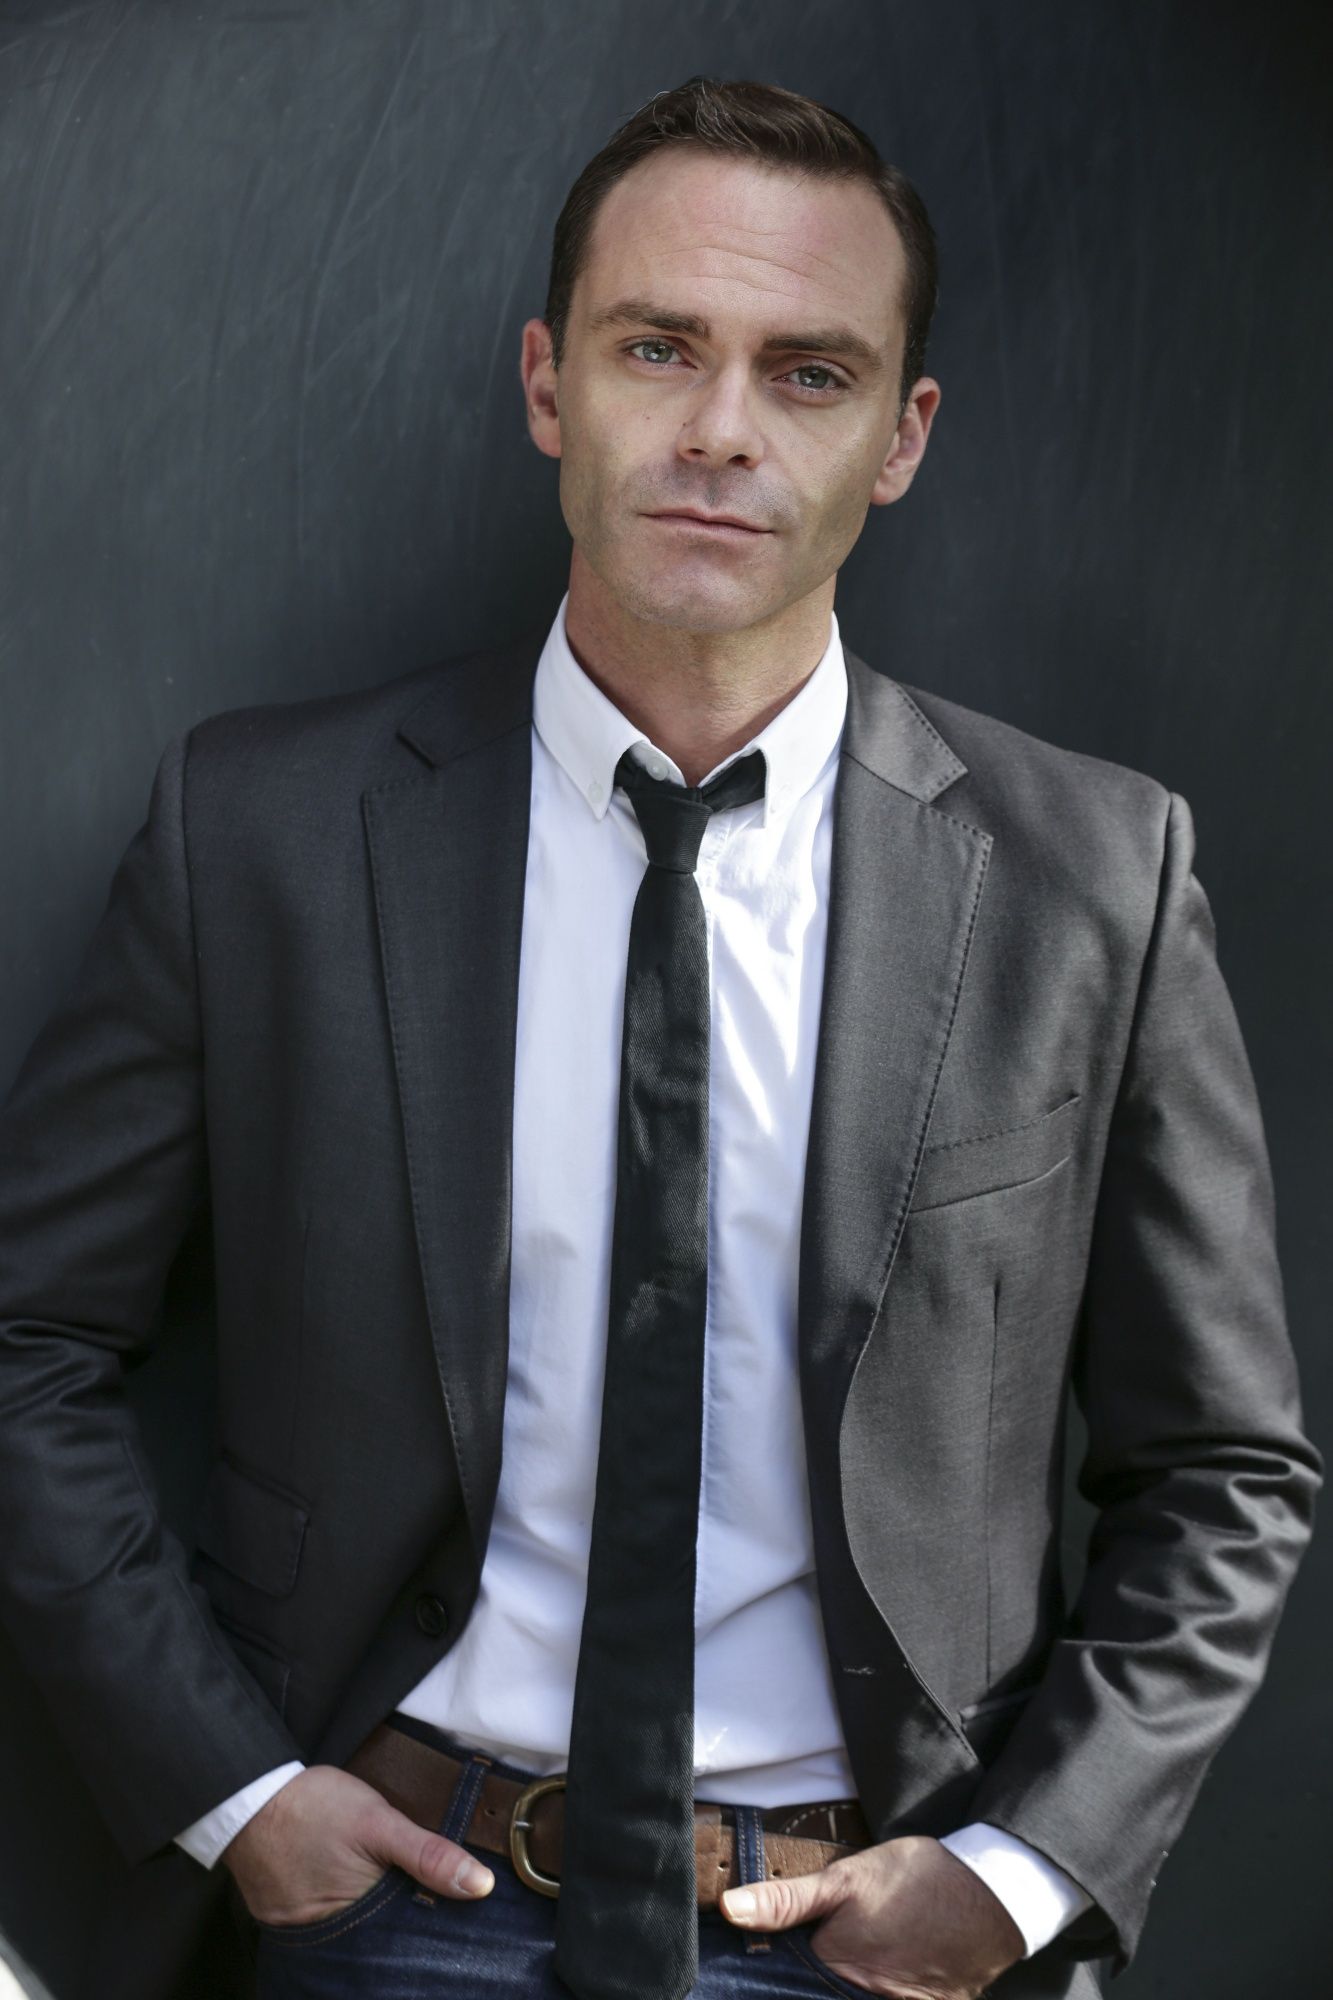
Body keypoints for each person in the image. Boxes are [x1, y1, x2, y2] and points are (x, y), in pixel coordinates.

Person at [0, 73, 1319, 2000]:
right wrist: (234, 1794)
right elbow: (28, 1340)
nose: (719, 428)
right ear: (549, 384)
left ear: (899, 435)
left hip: (878, 1937)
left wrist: (1023, 1874)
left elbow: (1220, 1469)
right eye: (656, 347)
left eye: (807, 373)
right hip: (392, 1915)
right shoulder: (260, 831)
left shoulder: (1092, 879)